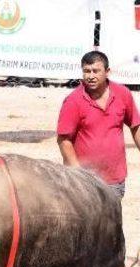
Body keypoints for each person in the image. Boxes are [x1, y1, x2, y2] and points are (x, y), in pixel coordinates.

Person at [57, 51, 140, 198]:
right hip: (83, 182)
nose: (90, 76)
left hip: (115, 179)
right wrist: (79, 174)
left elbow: (136, 126)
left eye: (96, 71)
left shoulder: (123, 94)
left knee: (111, 221)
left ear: (107, 72)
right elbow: (64, 141)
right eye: (86, 71)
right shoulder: (73, 101)